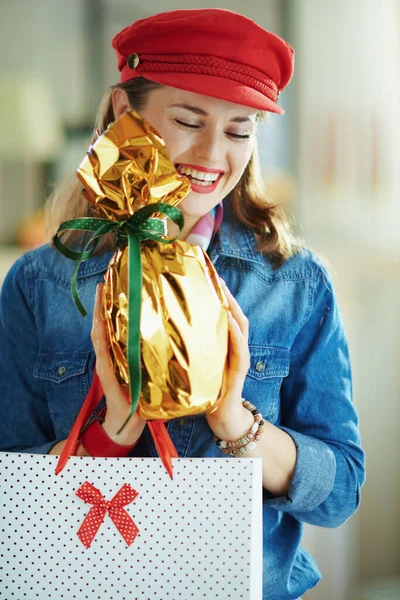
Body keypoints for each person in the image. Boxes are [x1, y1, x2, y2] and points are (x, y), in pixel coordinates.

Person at [0, 8, 365, 599]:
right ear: (126, 113)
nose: (211, 155)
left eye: (239, 131)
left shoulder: (295, 284)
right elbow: (10, 496)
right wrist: (108, 436)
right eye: (189, 120)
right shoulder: (40, 284)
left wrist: (234, 420)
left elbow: (342, 492)